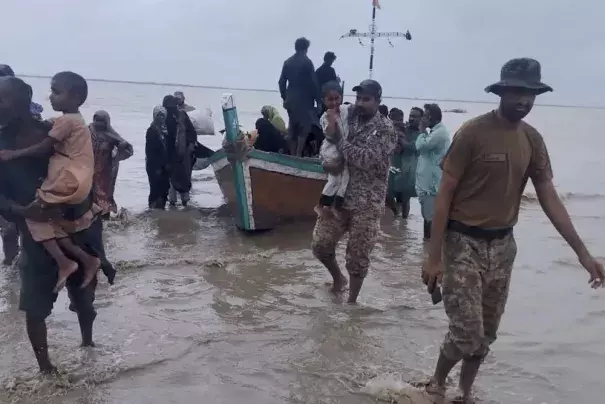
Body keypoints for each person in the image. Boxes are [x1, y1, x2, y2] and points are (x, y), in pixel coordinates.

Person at [421, 58, 605, 404]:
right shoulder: (472, 133)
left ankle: (464, 393)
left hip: (504, 245)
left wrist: (583, 254)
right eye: (517, 92)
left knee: (486, 334)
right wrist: (434, 257)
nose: (524, 100)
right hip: (462, 242)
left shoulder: (532, 139)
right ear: (502, 91)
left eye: (531, 93)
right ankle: (437, 382)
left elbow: (548, 196)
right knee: (466, 332)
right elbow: (444, 193)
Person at [0, 76, 115, 372]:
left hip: (79, 226)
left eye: (3, 99)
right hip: (35, 235)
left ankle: (88, 344)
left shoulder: (53, 133)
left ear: (26, 97)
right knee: (34, 308)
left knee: (85, 300)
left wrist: (80, 212)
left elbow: (83, 175)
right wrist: (18, 209)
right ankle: (46, 370)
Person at [0, 72, 101, 292]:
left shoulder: (55, 128)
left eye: (55, 92)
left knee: (36, 216)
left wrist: (12, 155)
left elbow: (46, 148)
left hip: (68, 196)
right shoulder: (67, 122)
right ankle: (81, 259)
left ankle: (70, 262)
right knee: (48, 224)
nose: (50, 97)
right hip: (71, 193)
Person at [311, 80, 397, 303]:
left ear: (378, 101)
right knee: (320, 245)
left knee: (357, 258)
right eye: (358, 98)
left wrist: (341, 143)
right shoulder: (348, 116)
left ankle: (351, 303)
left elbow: (366, 159)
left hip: (367, 204)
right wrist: (325, 162)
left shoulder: (386, 129)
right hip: (339, 197)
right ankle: (338, 278)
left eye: (366, 99)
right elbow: (327, 144)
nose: (360, 103)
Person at [278, 37, 322, 157]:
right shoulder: (307, 62)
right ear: (306, 48)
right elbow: (314, 83)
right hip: (304, 100)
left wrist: (284, 97)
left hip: (291, 99)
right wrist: (318, 101)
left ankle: (292, 154)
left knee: (292, 127)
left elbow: (281, 82)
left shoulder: (287, 62)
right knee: (304, 129)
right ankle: (297, 155)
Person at [315, 81, 351, 217]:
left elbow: (355, 109)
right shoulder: (325, 117)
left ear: (341, 97)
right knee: (334, 179)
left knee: (346, 178)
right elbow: (330, 135)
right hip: (331, 150)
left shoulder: (345, 110)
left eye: (337, 98)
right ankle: (320, 205)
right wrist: (332, 120)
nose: (334, 102)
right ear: (323, 101)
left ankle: (336, 206)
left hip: (344, 149)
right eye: (330, 99)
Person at [89, 111, 133, 219]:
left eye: (101, 121)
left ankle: (104, 219)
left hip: (105, 170)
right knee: (88, 193)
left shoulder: (111, 135)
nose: (98, 123)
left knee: (104, 194)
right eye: (96, 120)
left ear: (107, 122)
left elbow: (128, 149)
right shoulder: (87, 131)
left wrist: (121, 149)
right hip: (88, 168)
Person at [415, 103, 450, 240]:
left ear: (431, 117)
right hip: (429, 184)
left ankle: (429, 246)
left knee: (430, 218)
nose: (422, 118)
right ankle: (427, 247)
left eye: (424, 115)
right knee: (428, 216)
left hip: (432, 185)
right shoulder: (435, 132)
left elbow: (421, 146)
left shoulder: (439, 133)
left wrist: (422, 130)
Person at [163, 95, 197, 207]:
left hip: (184, 153)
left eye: (172, 106)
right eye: (168, 107)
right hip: (171, 153)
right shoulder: (164, 117)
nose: (170, 108)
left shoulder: (182, 115)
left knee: (185, 176)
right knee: (172, 177)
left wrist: (191, 145)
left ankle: (185, 201)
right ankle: (172, 201)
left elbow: (192, 132)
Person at [146, 106, 171, 209]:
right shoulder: (151, 130)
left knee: (165, 188)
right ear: (154, 116)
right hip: (154, 166)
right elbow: (149, 151)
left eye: (162, 115)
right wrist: (157, 167)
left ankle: (161, 210)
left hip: (165, 166)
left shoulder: (166, 131)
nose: (161, 117)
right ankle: (153, 212)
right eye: (158, 115)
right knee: (155, 189)